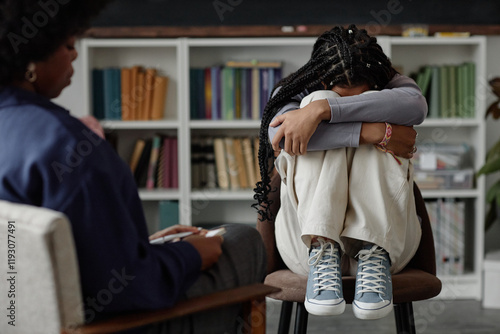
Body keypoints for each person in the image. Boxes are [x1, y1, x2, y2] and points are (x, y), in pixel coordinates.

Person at [0, 1, 266, 333]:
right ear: (30, 62)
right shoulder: (69, 146)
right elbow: (129, 289)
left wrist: (144, 246)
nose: (75, 55)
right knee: (242, 239)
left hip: (21, 318)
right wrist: (190, 255)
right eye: (68, 45)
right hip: (120, 323)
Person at [254, 24, 427, 320]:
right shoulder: (295, 90)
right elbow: (280, 136)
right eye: (340, 97)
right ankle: (324, 244)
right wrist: (375, 132)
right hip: (305, 250)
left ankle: (374, 250)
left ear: (375, 84)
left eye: (360, 98)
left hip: (387, 245)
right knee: (315, 105)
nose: (346, 103)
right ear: (320, 77)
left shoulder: (392, 84)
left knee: (364, 112)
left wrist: (324, 112)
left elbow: (416, 107)